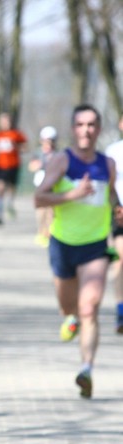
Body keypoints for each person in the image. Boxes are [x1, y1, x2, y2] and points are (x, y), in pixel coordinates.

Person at [34, 103, 122, 399]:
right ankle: (69, 318)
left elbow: (110, 197)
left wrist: (117, 210)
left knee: (91, 306)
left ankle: (87, 369)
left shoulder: (107, 165)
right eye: (81, 125)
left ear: (98, 129)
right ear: (74, 129)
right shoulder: (62, 161)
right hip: (63, 244)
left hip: (95, 246)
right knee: (68, 306)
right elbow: (39, 198)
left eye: (92, 125)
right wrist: (72, 194)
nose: (87, 130)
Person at [103, 114, 123, 333]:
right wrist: (115, 205)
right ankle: (121, 309)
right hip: (120, 213)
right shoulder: (112, 152)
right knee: (120, 260)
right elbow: (106, 185)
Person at [0, 112, 27, 225]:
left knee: (11, 188)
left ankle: (10, 205)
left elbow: (25, 148)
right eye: (3, 121)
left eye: (7, 121)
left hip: (13, 165)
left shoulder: (17, 134)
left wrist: (16, 146)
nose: (5, 123)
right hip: (0, 165)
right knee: (0, 188)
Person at [28, 126, 58, 247]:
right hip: (40, 185)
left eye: (51, 141)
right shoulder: (38, 153)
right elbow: (31, 166)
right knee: (41, 211)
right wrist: (40, 165)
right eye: (46, 141)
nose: (48, 144)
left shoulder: (58, 154)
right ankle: (40, 232)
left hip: (53, 185)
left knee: (51, 211)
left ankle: (49, 233)